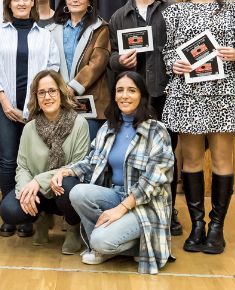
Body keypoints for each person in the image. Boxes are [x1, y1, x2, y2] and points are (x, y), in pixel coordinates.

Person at [162, 0, 235, 255]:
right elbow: (167, 53)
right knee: (191, 161)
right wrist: (173, 63)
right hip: (188, 94)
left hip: (224, 93)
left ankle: (217, 227)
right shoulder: (176, 12)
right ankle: (197, 224)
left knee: (223, 161)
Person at [60, 71, 173, 274]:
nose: (124, 96)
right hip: (116, 194)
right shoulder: (108, 127)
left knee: (99, 240)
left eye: (131, 90)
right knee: (77, 192)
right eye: (120, 90)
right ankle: (114, 242)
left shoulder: (157, 130)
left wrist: (121, 209)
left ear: (142, 96)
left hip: (146, 206)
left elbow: (152, 182)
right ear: (114, 95)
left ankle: (139, 244)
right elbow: (91, 162)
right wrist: (66, 171)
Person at [108, 0, 182, 236]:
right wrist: (119, 61)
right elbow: (111, 56)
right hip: (133, 100)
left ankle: (168, 211)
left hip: (167, 94)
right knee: (134, 156)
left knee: (166, 157)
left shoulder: (173, 9)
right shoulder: (118, 16)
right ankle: (134, 208)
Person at [0, 0, 59, 237]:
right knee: (7, 160)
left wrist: (33, 107)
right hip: (2, 108)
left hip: (36, 111)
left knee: (31, 162)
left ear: (33, 2)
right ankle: (9, 214)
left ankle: (28, 215)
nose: (22, 3)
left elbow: (53, 70)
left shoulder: (45, 36)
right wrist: (5, 102)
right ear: (9, 4)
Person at [0, 70, 90, 254]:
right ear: (36, 97)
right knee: (9, 210)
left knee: (68, 185)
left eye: (52, 91)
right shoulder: (29, 128)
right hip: (39, 192)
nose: (47, 97)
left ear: (61, 93)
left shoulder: (79, 124)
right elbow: (23, 166)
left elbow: (78, 165)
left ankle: (73, 227)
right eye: (42, 93)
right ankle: (42, 217)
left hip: (63, 190)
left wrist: (38, 181)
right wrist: (26, 190)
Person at [49, 0, 112, 139]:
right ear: (65, 1)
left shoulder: (100, 28)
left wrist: (71, 89)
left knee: (87, 155)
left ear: (89, 1)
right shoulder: (52, 30)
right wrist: (60, 91)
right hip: (59, 100)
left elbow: (97, 63)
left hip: (91, 101)